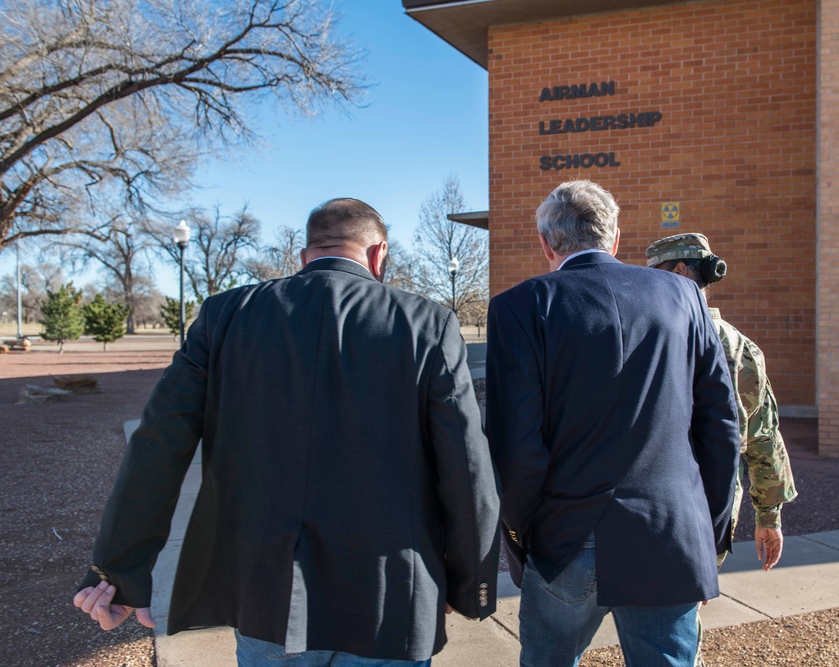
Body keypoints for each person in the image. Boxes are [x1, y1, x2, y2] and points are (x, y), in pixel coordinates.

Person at [74, 198, 501, 666]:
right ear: (379, 255)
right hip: (388, 593)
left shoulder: (225, 315)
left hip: (266, 592)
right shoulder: (427, 323)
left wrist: (117, 571)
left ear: (304, 256)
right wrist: (468, 583)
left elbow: (157, 444)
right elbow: (465, 466)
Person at [485, 180, 741, 667]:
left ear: (546, 243)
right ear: (616, 238)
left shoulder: (519, 307)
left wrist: (522, 537)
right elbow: (721, 424)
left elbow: (515, 445)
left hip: (565, 538)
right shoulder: (684, 296)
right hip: (669, 535)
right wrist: (707, 534)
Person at [646, 233, 798, 667]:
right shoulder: (740, 347)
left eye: (653, 272)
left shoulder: (645, 333)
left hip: (650, 506)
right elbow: (764, 438)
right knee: (677, 625)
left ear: (677, 271)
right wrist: (768, 517)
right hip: (707, 516)